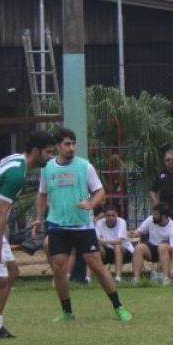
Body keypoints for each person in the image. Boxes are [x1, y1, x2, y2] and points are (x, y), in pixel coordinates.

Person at [33, 128, 132, 322]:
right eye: (67, 144)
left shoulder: (85, 166)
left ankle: (119, 307)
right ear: (58, 146)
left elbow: (100, 192)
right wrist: (38, 217)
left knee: (96, 265)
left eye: (73, 143)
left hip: (82, 226)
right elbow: (42, 195)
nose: (71, 148)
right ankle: (67, 312)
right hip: (58, 226)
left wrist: (91, 204)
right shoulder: (47, 168)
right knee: (59, 268)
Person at [0, 132, 55, 338]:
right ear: (36, 151)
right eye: (48, 152)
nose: (50, 157)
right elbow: (1, 211)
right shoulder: (17, 174)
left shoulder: (13, 159)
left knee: (11, 271)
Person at [130, 203, 173, 285]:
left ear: (163, 216)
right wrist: (131, 234)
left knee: (162, 247)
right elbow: (139, 232)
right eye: (153, 213)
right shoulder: (150, 220)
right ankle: (136, 279)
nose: (153, 216)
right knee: (138, 248)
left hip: (168, 252)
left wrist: (172, 268)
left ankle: (166, 279)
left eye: (156, 214)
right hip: (152, 249)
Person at [95, 203, 134, 283]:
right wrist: (102, 242)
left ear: (117, 215)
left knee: (117, 246)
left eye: (113, 215)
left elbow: (119, 241)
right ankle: (89, 278)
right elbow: (97, 240)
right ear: (105, 216)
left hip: (125, 251)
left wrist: (105, 241)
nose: (111, 218)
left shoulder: (122, 222)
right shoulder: (99, 223)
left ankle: (118, 277)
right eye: (108, 215)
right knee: (94, 249)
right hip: (108, 251)